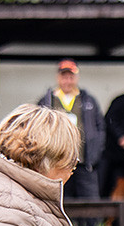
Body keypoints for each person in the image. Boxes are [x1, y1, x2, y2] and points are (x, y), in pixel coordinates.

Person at [38, 58, 105, 200]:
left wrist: (94, 155)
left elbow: (100, 128)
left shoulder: (88, 100)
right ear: (58, 78)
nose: (67, 81)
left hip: (84, 163)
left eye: (71, 77)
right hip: (57, 163)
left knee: (91, 203)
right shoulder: (47, 100)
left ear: (76, 78)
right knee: (59, 201)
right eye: (64, 77)